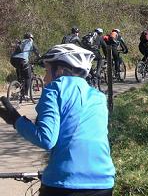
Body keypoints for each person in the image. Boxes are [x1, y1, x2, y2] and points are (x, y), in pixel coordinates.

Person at [0, 44, 115, 195]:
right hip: (104, 182)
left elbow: (46, 139)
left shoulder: (55, 88)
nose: (45, 78)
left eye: (47, 71)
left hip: (65, 183)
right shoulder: (98, 96)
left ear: (60, 70)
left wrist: (15, 119)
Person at [10, 33, 40, 99]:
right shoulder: (30, 42)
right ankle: (26, 94)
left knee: (20, 71)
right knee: (28, 76)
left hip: (13, 60)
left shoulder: (21, 42)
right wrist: (40, 59)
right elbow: (37, 53)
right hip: (22, 60)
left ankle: (19, 88)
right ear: (31, 38)